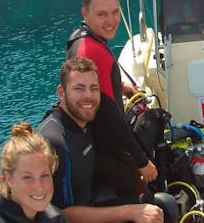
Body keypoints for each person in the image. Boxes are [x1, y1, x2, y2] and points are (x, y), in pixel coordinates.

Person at [37, 57, 166, 223]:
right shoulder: (55, 141)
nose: (88, 96)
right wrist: (131, 212)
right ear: (62, 93)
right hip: (75, 217)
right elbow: (61, 214)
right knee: (160, 208)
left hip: (94, 199)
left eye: (93, 88)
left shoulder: (85, 121)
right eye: (79, 89)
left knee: (160, 204)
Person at [65, 0, 158, 194]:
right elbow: (110, 115)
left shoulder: (79, 39)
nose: (111, 20)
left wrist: (121, 86)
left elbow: (99, 79)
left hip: (93, 146)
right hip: (108, 150)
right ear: (85, 13)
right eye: (102, 14)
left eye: (115, 12)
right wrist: (141, 160)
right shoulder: (92, 50)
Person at [0, 123, 67, 222]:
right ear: (9, 179)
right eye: (27, 177)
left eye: (44, 175)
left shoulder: (54, 217)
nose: (39, 187)